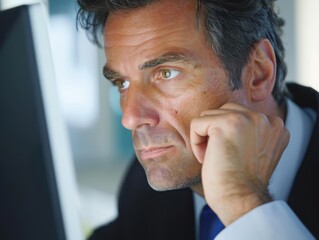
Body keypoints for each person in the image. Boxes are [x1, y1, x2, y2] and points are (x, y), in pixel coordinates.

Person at [76, 0, 319, 239]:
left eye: (166, 73)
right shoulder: (145, 188)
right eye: (123, 83)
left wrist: (243, 203)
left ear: (258, 73)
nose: (130, 117)